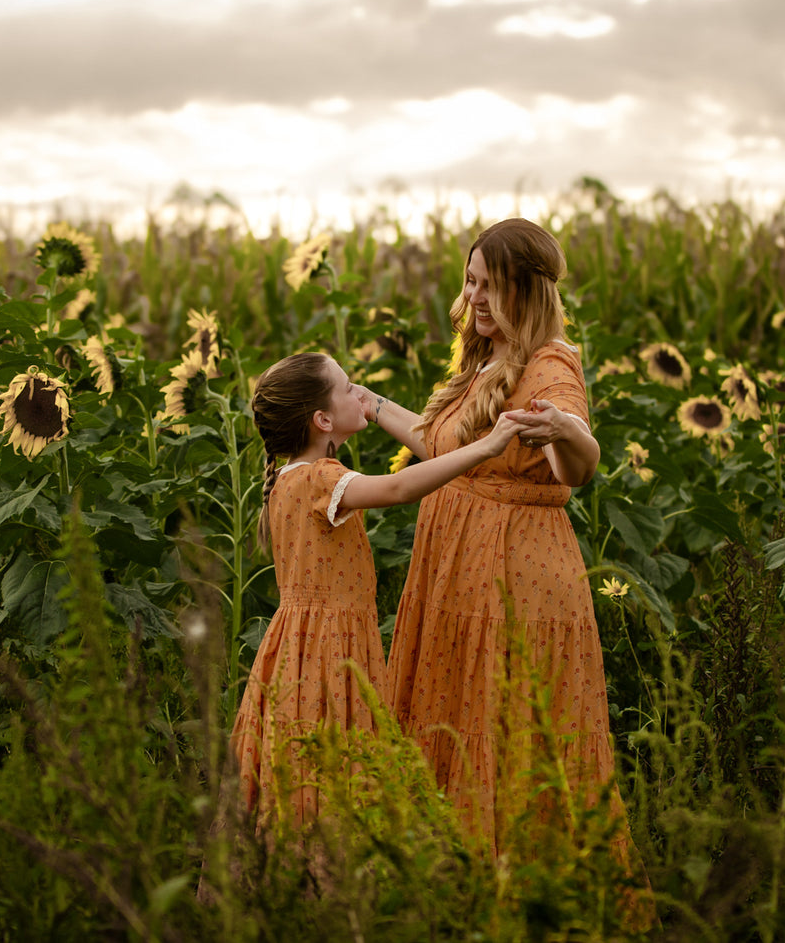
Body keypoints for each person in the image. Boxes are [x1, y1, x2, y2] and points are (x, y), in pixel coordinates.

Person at [356, 217, 638, 864]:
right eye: (470, 281)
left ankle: (516, 890)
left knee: (504, 730)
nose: (475, 298)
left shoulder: (548, 367)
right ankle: (455, 879)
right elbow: (440, 447)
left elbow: (578, 467)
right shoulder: (487, 358)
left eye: (491, 286)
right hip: (459, 573)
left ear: (529, 292)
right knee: (457, 719)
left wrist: (564, 430)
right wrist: (367, 401)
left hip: (512, 578)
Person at [232, 351, 527, 829]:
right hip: (330, 652)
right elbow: (397, 489)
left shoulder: (288, 479)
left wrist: (375, 404)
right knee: (335, 760)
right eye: (348, 389)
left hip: (298, 646)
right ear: (323, 419)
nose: (360, 394)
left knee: (303, 762)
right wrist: (485, 447)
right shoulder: (321, 478)